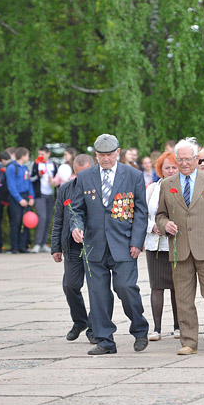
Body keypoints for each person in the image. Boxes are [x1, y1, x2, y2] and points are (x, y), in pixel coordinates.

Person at [70, 134, 149, 355]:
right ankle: (105, 340)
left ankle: (140, 328)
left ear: (117, 152)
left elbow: (141, 212)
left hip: (124, 244)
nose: (105, 159)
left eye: (109, 154)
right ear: (96, 155)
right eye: (101, 155)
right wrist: (76, 227)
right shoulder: (85, 177)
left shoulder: (133, 175)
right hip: (94, 246)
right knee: (98, 294)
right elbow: (76, 209)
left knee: (125, 288)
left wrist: (137, 242)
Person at [156, 138, 204, 355]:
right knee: (183, 298)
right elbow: (160, 214)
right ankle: (189, 341)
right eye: (180, 160)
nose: (184, 163)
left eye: (188, 159)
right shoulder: (167, 184)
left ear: (196, 159)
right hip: (180, 248)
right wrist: (164, 224)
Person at [51, 154, 97, 344]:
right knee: (70, 285)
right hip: (72, 247)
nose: (82, 178)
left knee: (97, 289)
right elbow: (59, 219)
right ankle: (80, 321)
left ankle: (95, 327)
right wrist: (56, 246)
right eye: (78, 174)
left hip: (95, 246)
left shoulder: (100, 188)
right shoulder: (66, 189)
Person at [145, 152, 179, 342]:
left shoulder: (183, 187)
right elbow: (142, 215)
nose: (171, 170)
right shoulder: (151, 189)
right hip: (155, 244)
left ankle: (178, 326)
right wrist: (153, 227)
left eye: (174, 167)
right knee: (157, 287)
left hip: (175, 243)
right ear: (161, 169)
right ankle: (156, 328)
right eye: (167, 167)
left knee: (177, 287)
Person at [6, 147, 35, 254]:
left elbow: (29, 183)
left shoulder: (25, 168)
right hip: (16, 198)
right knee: (16, 222)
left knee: (26, 222)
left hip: (26, 196)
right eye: (27, 155)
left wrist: (31, 197)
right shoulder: (12, 167)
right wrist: (19, 199)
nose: (28, 157)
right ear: (23, 156)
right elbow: (11, 186)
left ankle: (23, 246)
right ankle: (15, 247)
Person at [30, 146, 57, 253]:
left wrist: (53, 181)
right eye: (39, 154)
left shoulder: (53, 164)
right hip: (39, 195)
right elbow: (30, 178)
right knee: (42, 217)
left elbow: (57, 179)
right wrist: (38, 176)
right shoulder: (35, 164)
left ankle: (44, 243)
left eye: (42, 154)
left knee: (48, 218)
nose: (40, 156)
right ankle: (37, 243)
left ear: (48, 154)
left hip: (50, 195)